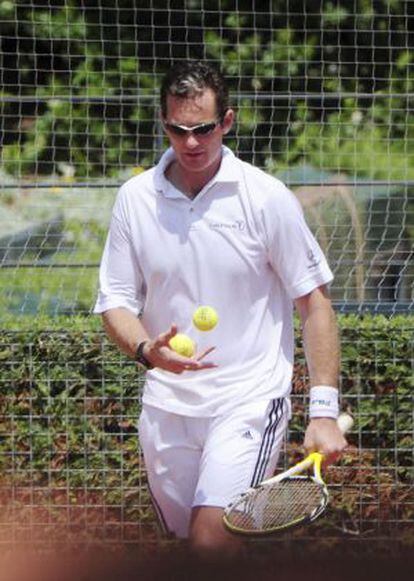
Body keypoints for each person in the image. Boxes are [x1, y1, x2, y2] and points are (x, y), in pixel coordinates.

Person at [94, 60, 347, 561]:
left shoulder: (266, 197)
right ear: (164, 123)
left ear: (226, 122)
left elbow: (314, 304)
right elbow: (115, 301)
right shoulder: (134, 200)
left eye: (203, 129)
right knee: (188, 548)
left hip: (247, 399)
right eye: (178, 129)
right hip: (167, 407)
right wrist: (147, 350)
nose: (191, 143)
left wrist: (322, 410)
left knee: (211, 541)